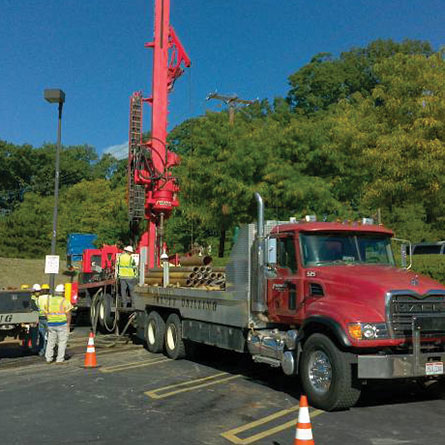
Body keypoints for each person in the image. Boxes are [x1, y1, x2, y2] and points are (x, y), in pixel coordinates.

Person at [45, 284, 73, 364]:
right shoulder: (65, 301)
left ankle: (48, 358)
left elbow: (45, 312)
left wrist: (49, 319)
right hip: (62, 324)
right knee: (62, 342)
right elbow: (68, 314)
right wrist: (68, 325)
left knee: (50, 342)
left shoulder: (49, 301)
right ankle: (59, 359)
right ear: (63, 292)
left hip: (51, 324)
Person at [37, 284, 50, 357]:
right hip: (47, 318)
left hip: (40, 318)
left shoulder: (39, 298)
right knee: (49, 336)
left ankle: (41, 351)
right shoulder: (50, 298)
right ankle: (48, 352)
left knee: (41, 335)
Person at [29, 284, 41, 354]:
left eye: (39, 291)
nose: (38, 293)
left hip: (39, 317)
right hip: (34, 318)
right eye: (37, 291)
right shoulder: (31, 298)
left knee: (36, 333)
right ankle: (33, 347)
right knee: (34, 333)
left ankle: (33, 346)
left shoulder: (39, 298)